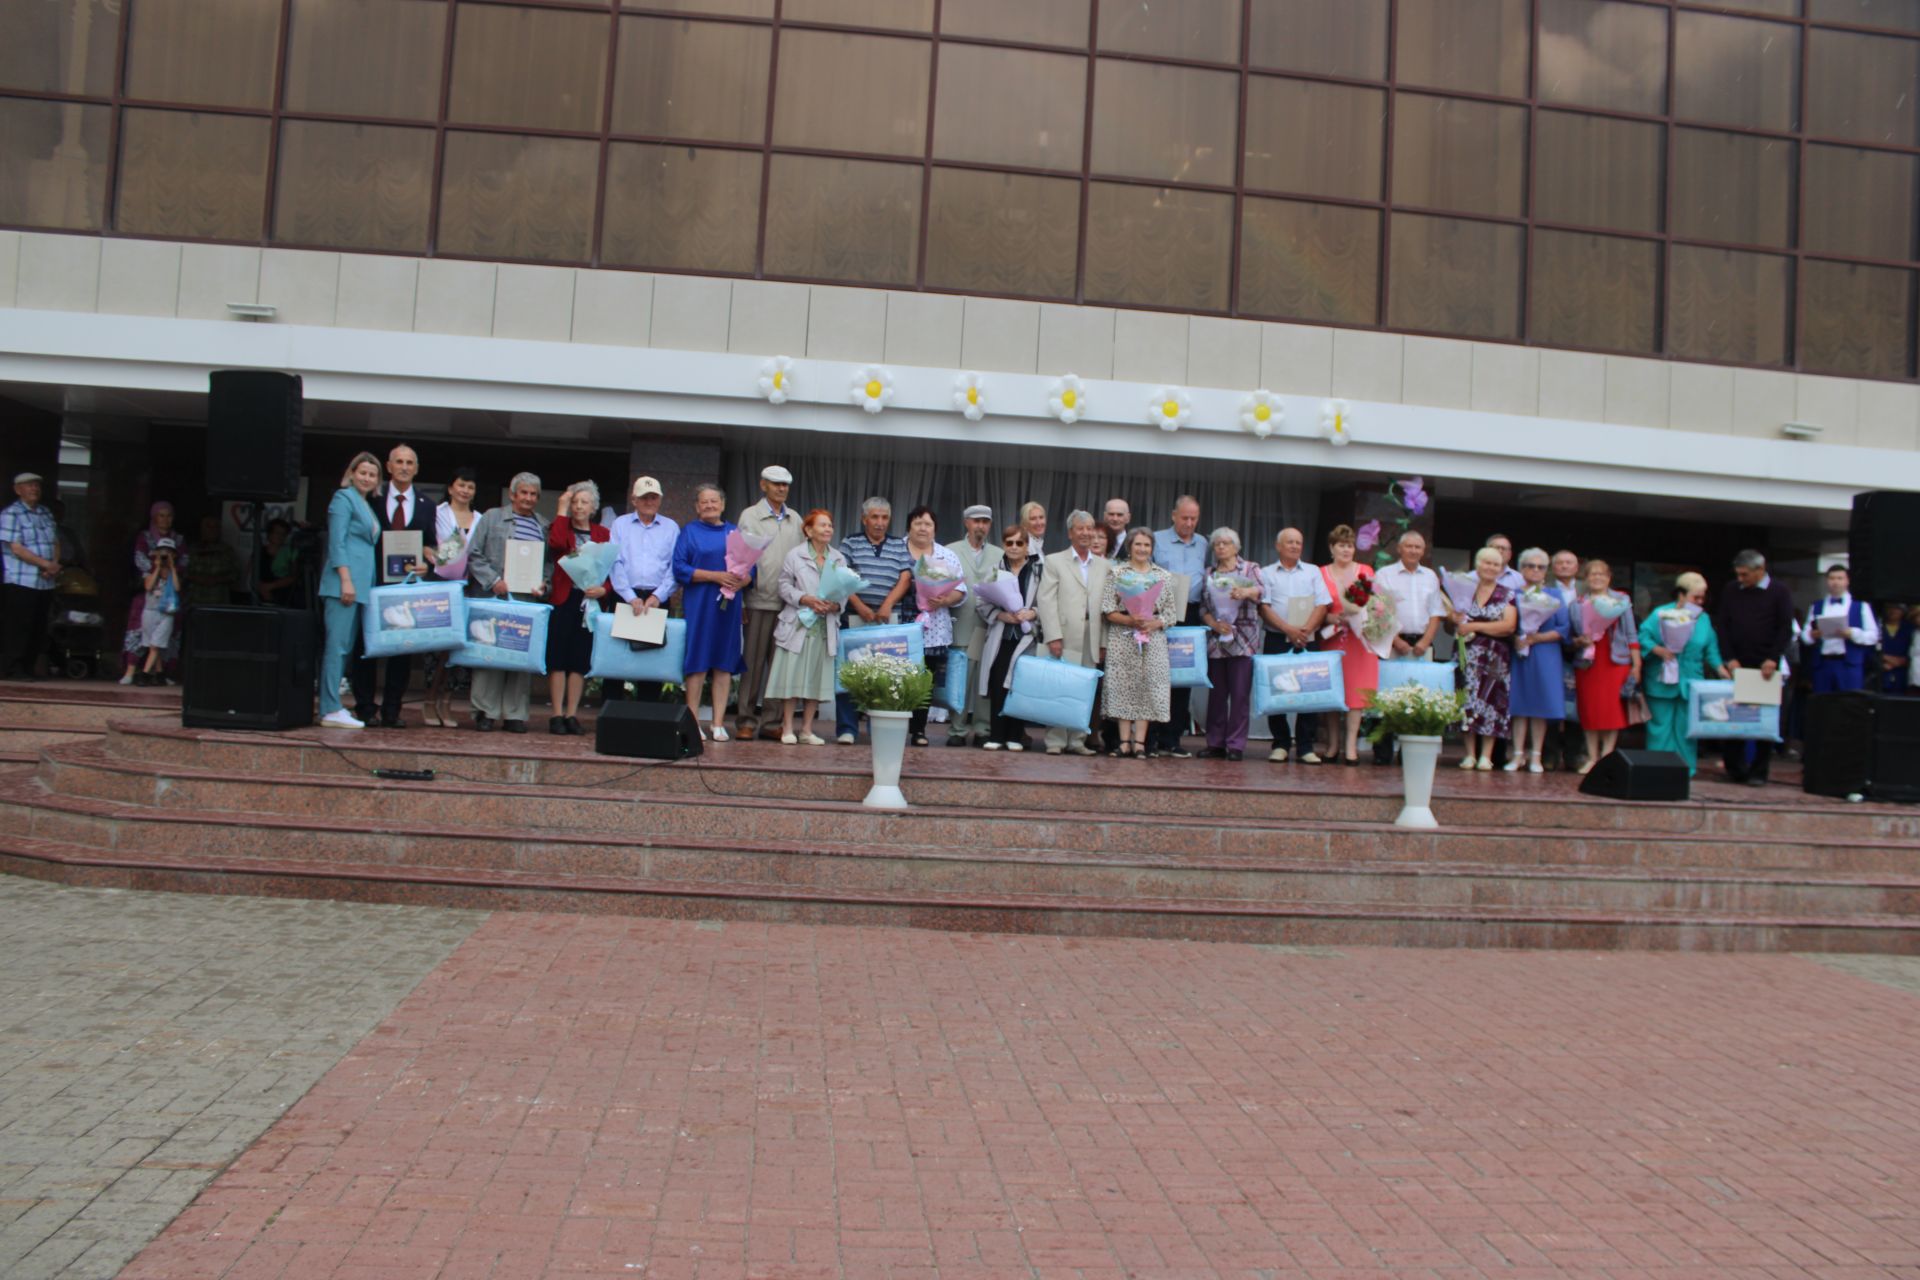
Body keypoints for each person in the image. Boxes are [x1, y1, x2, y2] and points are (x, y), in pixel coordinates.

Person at [354, 443, 436, 728]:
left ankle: (392, 711)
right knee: (365, 648)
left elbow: (432, 546)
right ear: (388, 467)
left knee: (401, 652)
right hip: (372, 583)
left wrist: (431, 563)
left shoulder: (427, 505)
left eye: (409, 463)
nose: (404, 467)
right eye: (398, 462)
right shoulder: (370, 500)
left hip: (407, 589)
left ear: (416, 468)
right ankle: (365, 708)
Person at [465, 472, 549, 734]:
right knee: (490, 653)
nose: (528, 498)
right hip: (494, 595)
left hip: (526, 600)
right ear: (512, 494)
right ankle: (485, 712)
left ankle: (515, 714)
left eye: (533, 494)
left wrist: (544, 584)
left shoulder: (542, 525)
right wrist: (493, 580)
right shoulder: (491, 517)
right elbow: (474, 553)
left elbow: (548, 564)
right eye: (523, 492)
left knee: (519, 655)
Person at [834, 497, 913, 744]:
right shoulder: (850, 543)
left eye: (884, 518)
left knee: (885, 674)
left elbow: (905, 578)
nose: (880, 523)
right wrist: (859, 606)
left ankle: (878, 727)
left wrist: (887, 604)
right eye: (875, 517)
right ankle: (847, 728)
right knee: (851, 671)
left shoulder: (899, 545)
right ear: (864, 519)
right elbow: (841, 576)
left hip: (888, 619)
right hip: (856, 617)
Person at [674, 484, 749, 740]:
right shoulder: (689, 532)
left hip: (728, 607)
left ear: (723, 504)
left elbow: (751, 570)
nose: (709, 505)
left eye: (714, 501)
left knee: (724, 662)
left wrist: (743, 580)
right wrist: (715, 576)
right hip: (700, 604)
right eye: (704, 502)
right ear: (696, 506)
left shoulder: (734, 532)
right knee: (698, 660)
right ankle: (692, 721)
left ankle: (718, 723)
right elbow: (680, 568)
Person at [1715, 549, 1795, 786]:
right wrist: (1729, 658)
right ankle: (1735, 768)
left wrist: (1773, 657)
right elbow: (1724, 625)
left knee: (1763, 719)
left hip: (1765, 666)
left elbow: (1785, 628)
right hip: (1737, 664)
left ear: (1760, 570)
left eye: (1745, 574)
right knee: (1735, 717)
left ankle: (1759, 771)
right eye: (1738, 574)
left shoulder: (1779, 592)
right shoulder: (1731, 590)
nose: (1741, 579)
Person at [734, 465, 803, 741]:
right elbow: (739, 560)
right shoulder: (749, 516)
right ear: (763, 485)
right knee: (751, 664)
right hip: (756, 600)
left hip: (787, 605)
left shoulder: (796, 519)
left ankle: (772, 722)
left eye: (785, 485)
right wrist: (739, 600)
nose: (781, 489)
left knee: (779, 666)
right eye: (776, 484)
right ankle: (746, 720)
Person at [767, 509, 846, 745]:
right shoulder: (795, 555)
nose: (828, 529)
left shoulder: (839, 558)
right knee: (791, 677)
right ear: (809, 531)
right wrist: (805, 598)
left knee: (816, 679)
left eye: (830, 525)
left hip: (824, 626)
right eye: (822, 525)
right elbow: (783, 586)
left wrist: (834, 605)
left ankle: (807, 729)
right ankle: (788, 727)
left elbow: (844, 590)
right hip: (799, 624)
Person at [1372, 529, 1449, 765]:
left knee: (1418, 698)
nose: (1414, 551)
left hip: (1422, 643)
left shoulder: (1430, 577)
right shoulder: (1385, 574)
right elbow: (1378, 610)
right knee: (1387, 698)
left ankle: (1409, 754)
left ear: (1423, 551)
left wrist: (1426, 641)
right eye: (1409, 546)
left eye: (1418, 547)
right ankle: (1382, 753)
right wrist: (1396, 640)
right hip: (1392, 642)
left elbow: (1437, 612)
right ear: (1399, 548)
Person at [1100, 526, 1178, 758]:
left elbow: (1171, 614)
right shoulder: (1117, 573)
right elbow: (1107, 609)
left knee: (1147, 688)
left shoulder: (1163, 576)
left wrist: (1153, 623)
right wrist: (1129, 619)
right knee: (1123, 686)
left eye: (1147, 545)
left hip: (1152, 641)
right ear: (1130, 547)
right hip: (1123, 639)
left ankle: (1141, 743)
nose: (1142, 549)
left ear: (1152, 549)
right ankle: (1124, 742)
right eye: (1138, 544)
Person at [317, 453, 381, 729]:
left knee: (345, 648)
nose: (367, 478)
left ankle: (334, 705)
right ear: (352, 473)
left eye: (372, 474)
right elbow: (337, 543)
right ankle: (330, 707)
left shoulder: (365, 503)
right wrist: (345, 579)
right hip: (345, 585)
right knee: (337, 647)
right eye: (363, 472)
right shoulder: (343, 499)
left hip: (360, 587)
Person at [1638, 572, 1725, 776]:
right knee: (1660, 727)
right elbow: (1642, 636)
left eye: (1703, 598)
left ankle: (1685, 770)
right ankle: (1657, 769)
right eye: (1696, 597)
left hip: (1691, 681)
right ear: (1681, 595)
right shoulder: (1660, 613)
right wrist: (1658, 650)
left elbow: (1711, 649)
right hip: (1661, 679)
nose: (1700, 602)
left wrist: (1722, 671)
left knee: (1687, 729)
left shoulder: (1704, 619)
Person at [1036, 511, 1108, 756]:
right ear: (1070, 532)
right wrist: (1053, 635)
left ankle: (1077, 741)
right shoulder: (1055, 561)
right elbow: (1046, 601)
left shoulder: (1104, 565)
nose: (1086, 533)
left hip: (1093, 635)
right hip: (1065, 634)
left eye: (1090, 528)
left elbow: (1108, 606)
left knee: (1085, 690)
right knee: (1060, 689)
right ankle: (1055, 740)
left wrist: (1104, 641)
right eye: (1080, 528)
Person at [1257, 527, 1330, 763]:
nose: (1295, 546)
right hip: (1277, 637)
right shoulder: (1267, 573)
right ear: (1278, 546)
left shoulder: (1313, 572)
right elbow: (1264, 607)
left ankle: (1306, 746)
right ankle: (1280, 743)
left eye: (1298, 542)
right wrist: (1288, 629)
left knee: (1309, 691)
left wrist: (1306, 629)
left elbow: (1322, 604)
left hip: (1307, 637)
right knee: (1276, 690)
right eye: (1289, 542)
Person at [607, 476, 680, 704]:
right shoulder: (620, 524)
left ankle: (647, 711)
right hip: (623, 596)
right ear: (634, 500)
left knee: (652, 658)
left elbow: (674, 566)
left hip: (657, 599)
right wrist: (628, 596)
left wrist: (659, 595)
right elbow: (614, 561)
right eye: (644, 497)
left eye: (653, 497)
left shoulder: (671, 527)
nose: (649, 501)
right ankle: (613, 709)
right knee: (617, 656)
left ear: (659, 500)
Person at [544, 481, 610, 736]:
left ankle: (572, 713)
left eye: (584, 502)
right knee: (558, 658)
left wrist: (604, 588)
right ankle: (556, 714)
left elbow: (610, 567)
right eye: (575, 502)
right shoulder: (561, 528)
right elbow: (557, 544)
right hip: (564, 599)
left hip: (588, 602)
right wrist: (561, 508)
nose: (579, 507)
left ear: (593, 507)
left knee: (579, 660)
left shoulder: (602, 534)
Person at [900, 506, 968, 747]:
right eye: (918, 523)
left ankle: (918, 730)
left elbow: (961, 589)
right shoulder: (897, 549)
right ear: (909, 526)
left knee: (925, 680)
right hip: (900, 621)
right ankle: (896, 726)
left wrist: (945, 599)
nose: (922, 528)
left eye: (928, 524)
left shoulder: (945, 555)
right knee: (898, 676)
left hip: (934, 627)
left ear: (935, 529)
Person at [976, 523, 1043, 751]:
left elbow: (1049, 603)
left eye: (1019, 543)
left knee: (1019, 686)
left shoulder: (1038, 570)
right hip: (1001, 636)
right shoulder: (995, 569)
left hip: (1027, 638)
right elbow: (981, 602)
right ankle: (996, 735)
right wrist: (1000, 615)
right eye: (1009, 543)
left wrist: (1033, 613)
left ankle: (1015, 736)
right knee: (998, 684)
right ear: (1003, 545)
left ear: (1027, 546)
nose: (1014, 547)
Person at [1197, 527, 1262, 761]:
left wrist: (1245, 592)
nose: (1221, 547)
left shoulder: (1249, 568)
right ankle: (1214, 742)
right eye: (1217, 544)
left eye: (1226, 543)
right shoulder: (1209, 573)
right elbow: (1203, 607)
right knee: (1216, 695)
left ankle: (1235, 744)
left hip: (1243, 638)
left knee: (1240, 694)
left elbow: (1261, 591)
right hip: (1217, 640)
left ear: (1236, 547)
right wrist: (1214, 624)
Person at [1571, 558, 1640, 773]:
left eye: (1602, 574)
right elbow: (1572, 635)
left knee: (1611, 711)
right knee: (1590, 710)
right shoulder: (1578, 603)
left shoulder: (1621, 601)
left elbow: (1631, 633)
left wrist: (1636, 664)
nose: (1597, 577)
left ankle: (1607, 757)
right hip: (1588, 662)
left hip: (1615, 661)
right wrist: (1580, 641)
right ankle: (1592, 757)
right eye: (1592, 574)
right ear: (1586, 578)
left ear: (1609, 578)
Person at [423, 466, 479, 727]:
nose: (465, 490)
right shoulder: (436, 513)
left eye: (470, 487)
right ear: (450, 488)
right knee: (436, 646)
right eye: (461, 485)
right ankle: (429, 701)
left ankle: (447, 702)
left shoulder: (479, 518)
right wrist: (430, 554)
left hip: (466, 587)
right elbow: (425, 542)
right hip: (439, 584)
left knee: (457, 650)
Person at [1149, 496, 1206, 757]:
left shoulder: (1203, 543)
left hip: (1191, 614)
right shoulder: (1157, 539)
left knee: (1183, 677)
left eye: (1194, 518)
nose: (1189, 523)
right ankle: (1149, 737)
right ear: (1174, 516)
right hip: (1160, 612)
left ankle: (1172, 738)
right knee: (1155, 674)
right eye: (1185, 518)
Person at [1453, 546, 1518, 770]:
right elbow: (1452, 623)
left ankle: (1486, 756)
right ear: (1477, 565)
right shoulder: (1464, 590)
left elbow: (1508, 626)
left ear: (1501, 568)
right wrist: (1454, 620)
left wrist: (1475, 625)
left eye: (1495, 564)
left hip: (1494, 657)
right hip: (1466, 654)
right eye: (1486, 563)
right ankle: (1470, 754)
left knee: (1491, 702)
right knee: (1467, 701)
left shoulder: (1507, 593)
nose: (1490, 567)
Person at [943, 504, 1003, 747]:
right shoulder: (950, 551)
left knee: (983, 680)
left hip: (988, 627)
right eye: (976, 521)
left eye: (985, 522)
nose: (981, 526)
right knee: (960, 680)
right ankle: (956, 729)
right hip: (961, 624)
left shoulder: (1000, 554)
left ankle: (982, 728)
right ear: (966, 523)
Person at [1507, 548, 1571, 773]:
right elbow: (1505, 623)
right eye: (1530, 566)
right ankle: (1517, 755)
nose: (1535, 570)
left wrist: (1537, 637)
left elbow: (1564, 628)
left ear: (1546, 570)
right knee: (1520, 703)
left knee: (1540, 705)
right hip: (1520, 653)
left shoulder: (1554, 595)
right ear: (1522, 568)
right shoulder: (1512, 593)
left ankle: (1536, 756)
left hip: (1545, 653)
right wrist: (1517, 637)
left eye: (1540, 566)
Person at [1318, 524, 1377, 765]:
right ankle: (1333, 744)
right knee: (1333, 693)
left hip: (1359, 641)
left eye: (1350, 545)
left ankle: (1351, 746)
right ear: (1332, 548)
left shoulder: (1365, 571)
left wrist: (1364, 617)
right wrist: (1330, 617)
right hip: (1332, 638)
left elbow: (1376, 604)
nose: (1346, 550)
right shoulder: (1321, 573)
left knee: (1356, 695)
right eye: (1341, 545)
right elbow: (1317, 607)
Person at [0, 472, 61, 680]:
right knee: (19, 626)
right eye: (29, 486)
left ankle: (28, 667)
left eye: (37, 486)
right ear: (18, 490)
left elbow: (55, 542)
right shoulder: (11, 514)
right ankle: (13, 668)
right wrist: (45, 564)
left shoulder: (45, 513)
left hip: (44, 581)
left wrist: (52, 565)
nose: (34, 489)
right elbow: (16, 548)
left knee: (38, 626)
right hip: (20, 580)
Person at [120, 502, 184, 685]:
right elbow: (140, 559)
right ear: (154, 517)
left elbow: (184, 561)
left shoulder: (178, 540)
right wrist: (157, 567)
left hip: (168, 599)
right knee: (140, 634)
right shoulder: (144, 537)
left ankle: (159, 673)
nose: (165, 519)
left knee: (164, 638)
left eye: (169, 515)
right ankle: (131, 670)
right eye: (161, 515)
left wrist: (170, 568)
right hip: (146, 598)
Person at [1802, 564, 1879, 695]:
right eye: (1832, 578)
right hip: (1823, 664)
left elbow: (1873, 636)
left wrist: (1853, 633)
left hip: (1849, 664)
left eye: (1840, 578)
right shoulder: (1816, 606)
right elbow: (1804, 635)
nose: (1835, 582)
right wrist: (1812, 635)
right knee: (1823, 705)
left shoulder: (1861, 606)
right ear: (1827, 581)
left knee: (1850, 705)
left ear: (1847, 581)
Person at [1544, 548, 1586, 771]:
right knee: (1552, 702)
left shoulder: (1587, 590)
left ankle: (1573, 754)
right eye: (1559, 563)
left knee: (1576, 705)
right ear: (1553, 567)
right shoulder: (1546, 589)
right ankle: (1549, 754)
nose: (1564, 566)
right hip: (1552, 649)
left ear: (1577, 567)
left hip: (1581, 653)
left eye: (1569, 563)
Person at [134, 535, 183, 685]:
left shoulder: (174, 572)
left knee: (155, 645)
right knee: (151, 645)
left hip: (166, 613)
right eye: (162, 552)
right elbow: (148, 587)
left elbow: (177, 587)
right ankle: (160, 675)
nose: (164, 555)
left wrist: (171, 567)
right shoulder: (150, 570)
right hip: (149, 611)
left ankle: (145, 674)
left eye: (168, 552)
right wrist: (157, 567)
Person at [183, 514, 237, 609]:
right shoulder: (191, 549)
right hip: (195, 602)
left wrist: (217, 579)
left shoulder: (227, 550)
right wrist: (198, 578)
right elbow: (182, 572)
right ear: (202, 529)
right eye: (209, 526)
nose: (212, 530)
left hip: (219, 603)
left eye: (215, 527)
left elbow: (236, 574)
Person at [255, 518, 301, 608]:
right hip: (259, 597)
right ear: (269, 534)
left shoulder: (291, 552)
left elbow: (294, 576)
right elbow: (250, 575)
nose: (280, 536)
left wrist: (271, 586)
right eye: (277, 533)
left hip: (284, 597)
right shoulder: (259, 552)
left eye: (283, 534)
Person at [1881, 602, 1913, 696]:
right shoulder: (1878, 626)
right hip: (1881, 673)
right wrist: (1883, 658)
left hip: (1903, 676)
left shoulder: (1910, 629)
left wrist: (1902, 662)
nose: (1893, 611)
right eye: (1890, 608)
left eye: (1897, 608)